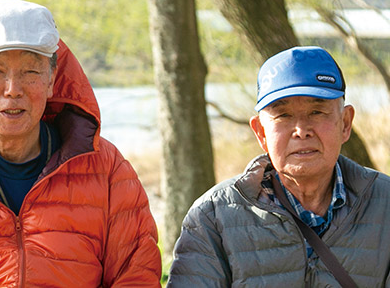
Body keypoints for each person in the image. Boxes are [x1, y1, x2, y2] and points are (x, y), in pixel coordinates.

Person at [0, 0, 161, 287]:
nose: (13, 90)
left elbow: (136, 276)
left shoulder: (106, 169)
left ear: (52, 78)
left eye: (31, 72)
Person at [167, 46, 390, 287]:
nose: (301, 131)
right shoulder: (212, 217)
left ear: (345, 123)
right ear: (261, 132)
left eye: (317, 112)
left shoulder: (386, 203)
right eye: (283, 115)